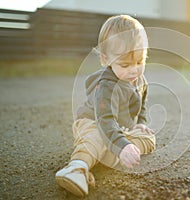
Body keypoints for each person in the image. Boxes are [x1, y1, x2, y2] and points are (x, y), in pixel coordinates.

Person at [55, 15, 156, 197]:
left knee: (149, 139)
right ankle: (77, 168)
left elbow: (142, 103)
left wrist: (140, 122)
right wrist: (122, 145)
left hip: (118, 128)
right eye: (125, 64)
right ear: (105, 59)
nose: (134, 69)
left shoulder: (139, 79)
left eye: (140, 62)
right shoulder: (106, 86)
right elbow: (105, 119)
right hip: (94, 121)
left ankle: (108, 151)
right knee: (96, 136)